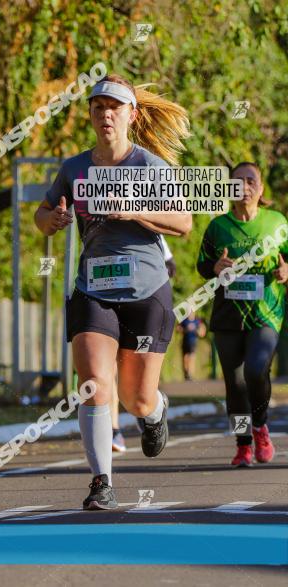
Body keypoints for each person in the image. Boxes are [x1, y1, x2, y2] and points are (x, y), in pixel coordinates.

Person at [35, 74, 191, 510]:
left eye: (115, 107)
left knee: (135, 397)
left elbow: (183, 223)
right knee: (94, 385)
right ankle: (102, 481)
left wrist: (135, 211)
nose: (106, 114)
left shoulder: (149, 167)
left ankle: (155, 411)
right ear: (90, 114)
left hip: (145, 289)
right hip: (93, 288)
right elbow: (43, 215)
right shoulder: (74, 168)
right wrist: (54, 221)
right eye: (98, 107)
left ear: (131, 115)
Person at [196, 162, 286, 467]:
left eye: (251, 181)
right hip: (228, 315)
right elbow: (203, 264)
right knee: (234, 385)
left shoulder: (277, 223)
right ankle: (243, 443)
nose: (245, 187)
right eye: (238, 182)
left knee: (255, 370)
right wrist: (214, 268)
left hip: (267, 312)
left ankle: (260, 427)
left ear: (260, 189)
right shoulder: (217, 227)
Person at [111, 234, 176, 452]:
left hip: (142, 304)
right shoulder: (94, 213)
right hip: (103, 297)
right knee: (103, 372)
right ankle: (113, 429)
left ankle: (149, 404)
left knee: (137, 394)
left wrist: (145, 274)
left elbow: (170, 266)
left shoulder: (148, 221)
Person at [178, 311, 207, 381]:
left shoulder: (197, 321)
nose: (190, 313)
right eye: (189, 312)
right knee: (185, 358)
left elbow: (203, 331)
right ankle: (186, 373)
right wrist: (185, 330)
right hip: (185, 342)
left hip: (193, 342)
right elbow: (178, 328)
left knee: (192, 358)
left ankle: (190, 374)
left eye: (192, 312)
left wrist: (198, 331)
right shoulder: (184, 321)